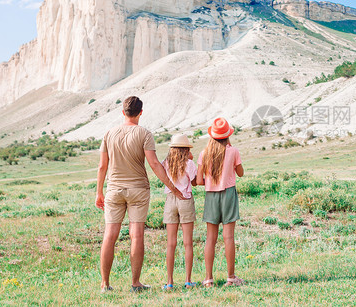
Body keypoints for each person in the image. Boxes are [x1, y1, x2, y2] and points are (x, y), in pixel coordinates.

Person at [94, 96, 187, 293]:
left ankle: (105, 284)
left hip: (114, 190)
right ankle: (135, 283)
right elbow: (154, 164)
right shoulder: (144, 134)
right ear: (141, 113)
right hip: (138, 190)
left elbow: (103, 166)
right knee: (137, 236)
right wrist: (173, 187)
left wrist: (99, 192)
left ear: (123, 112)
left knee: (109, 235)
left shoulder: (109, 134)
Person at [196, 117, 245, 287]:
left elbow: (199, 181)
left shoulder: (204, 153)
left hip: (211, 195)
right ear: (227, 135)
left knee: (211, 238)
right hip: (229, 194)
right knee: (228, 237)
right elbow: (241, 173)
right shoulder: (233, 151)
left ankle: (208, 279)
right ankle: (231, 278)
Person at [161, 134, 198, 290]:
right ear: (186, 149)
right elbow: (195, 182)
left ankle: (169, 282)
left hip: (170, 200)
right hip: (185, 200)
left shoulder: (165, 163)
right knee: (188, 243)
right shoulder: (189, 163)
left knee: (171, 244)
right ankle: (188, 281)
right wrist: (191, 159)